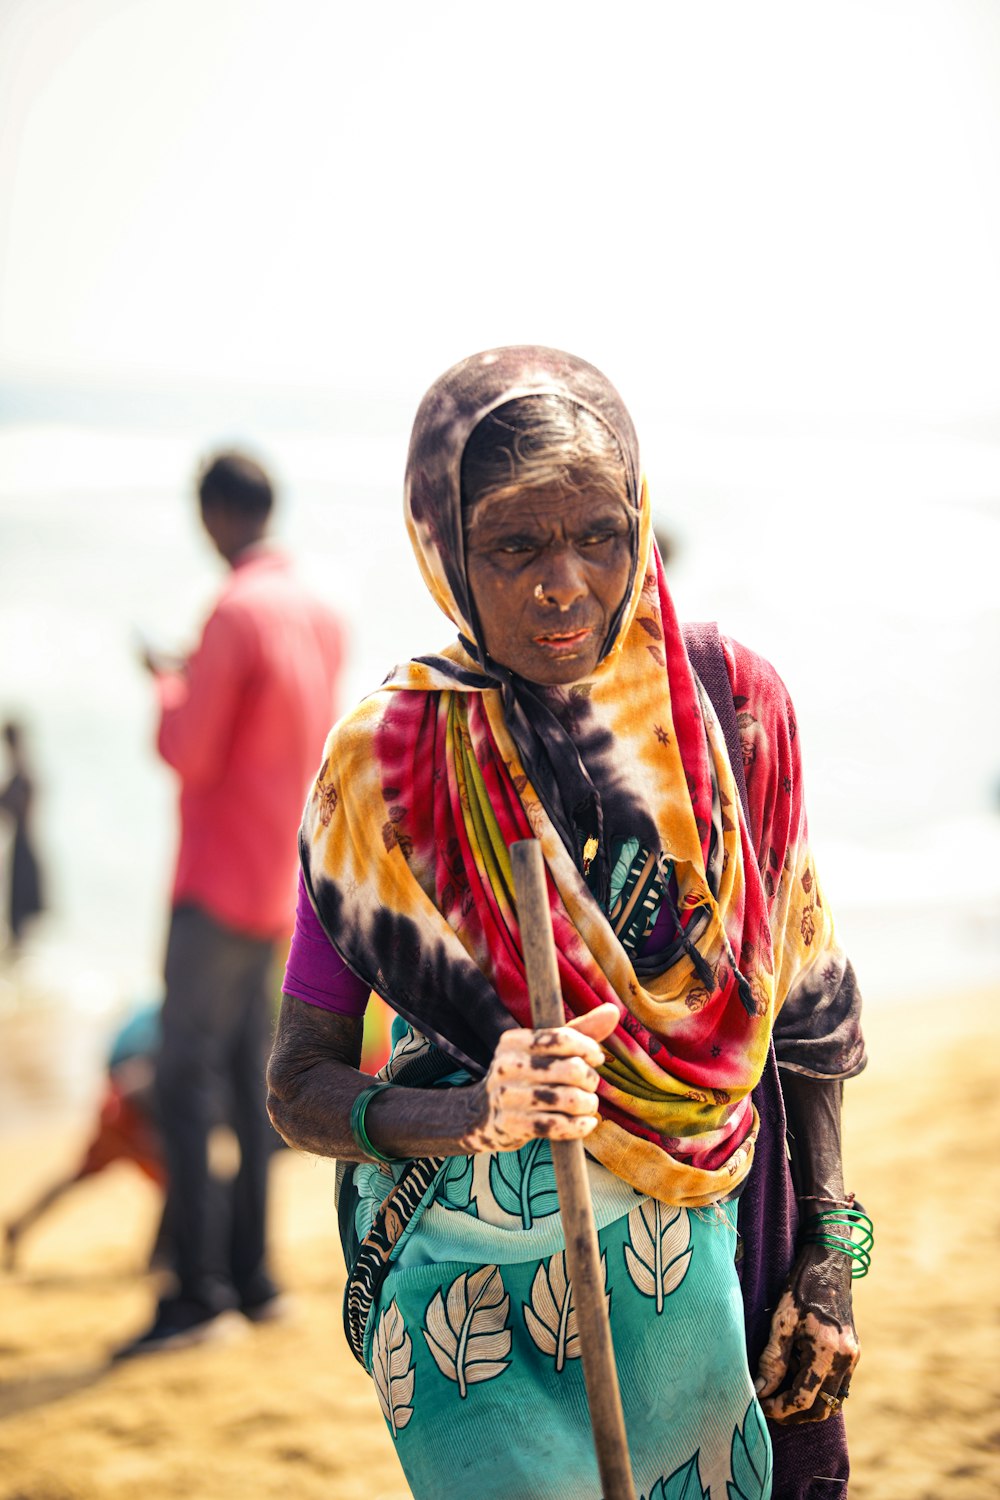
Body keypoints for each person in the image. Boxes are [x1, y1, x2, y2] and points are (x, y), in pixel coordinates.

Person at [266, 349, 867, 1499]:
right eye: (513, 546)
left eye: (597, 534)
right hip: (471, 1317)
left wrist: (831, 1259)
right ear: (444, 548)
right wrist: (471, 1110)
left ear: (638, 520)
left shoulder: (731, 711)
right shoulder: (390, 764)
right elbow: (297, 1085)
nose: (563, 585)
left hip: (725, 1250)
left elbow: (805, 1010)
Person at [121, 450, 345, 1356]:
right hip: (281, 883)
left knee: (182, 1080)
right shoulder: (315, 605)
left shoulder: (232, 608)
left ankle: (197, 1291)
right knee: (259, 1088)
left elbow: (190, 749)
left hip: (215, 879)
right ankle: (253, 1280)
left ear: (215, 513)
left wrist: (168, 682)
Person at [3, 1002, 167, 1273]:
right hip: (132, 1110)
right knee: (177, 1179)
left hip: (114, 1101)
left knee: (81, 1174)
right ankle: (160, 1254)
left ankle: (21, 1223)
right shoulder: (177, 1020)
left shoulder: (150, 1014)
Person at [0, 721, 45, 950]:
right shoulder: (23, 773)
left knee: (19, 916)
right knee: (18, 918)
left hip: (23, 850)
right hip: (22, 848)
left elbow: (12, 808)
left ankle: (19, 961)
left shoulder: (21, 775)